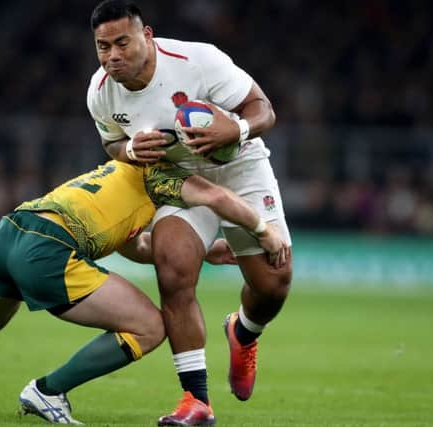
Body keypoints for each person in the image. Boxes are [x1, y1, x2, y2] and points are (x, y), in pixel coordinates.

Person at [0, 159, 288, 424]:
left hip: (10, 231)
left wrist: (204, 252)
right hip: (48, 250)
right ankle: (47, 391)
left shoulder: (119, 170)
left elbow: (138, 247)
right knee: (150, 327)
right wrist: (263, 232)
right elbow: (218, 197)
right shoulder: (162, 173)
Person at [87, 1, 293, 425]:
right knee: (173, 270)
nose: (113, 56)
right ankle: (195, 401)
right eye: (103, 47)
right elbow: (112, 144)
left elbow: (264, 110)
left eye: (122, 42)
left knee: (273, 284)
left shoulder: (198, 61)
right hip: (178, 178)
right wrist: (127, 150)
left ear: (147, 36)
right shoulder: (100, 90)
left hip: (240, 166)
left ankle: (244, 331)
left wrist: (232, 128)